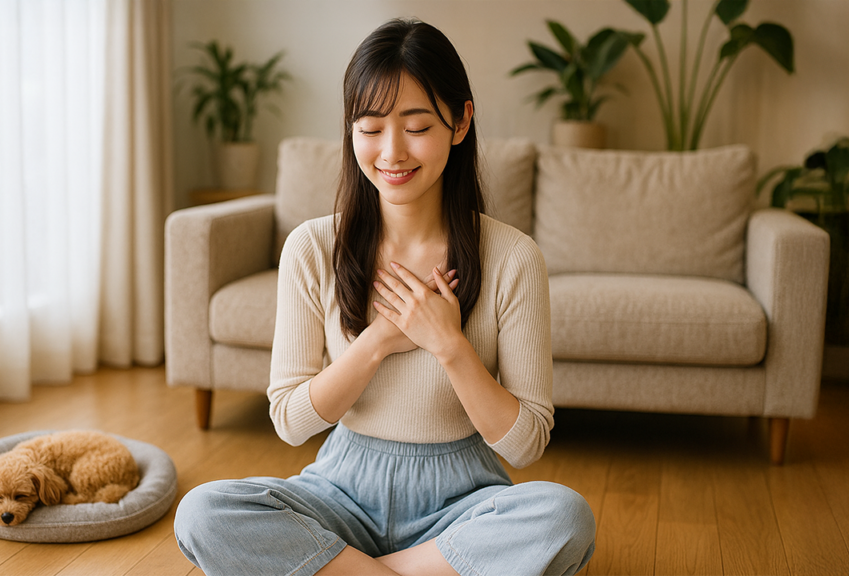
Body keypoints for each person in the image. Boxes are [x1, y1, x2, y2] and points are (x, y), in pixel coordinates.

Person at [174, 18, 596, 576]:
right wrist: (376, 342)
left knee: (564, 517)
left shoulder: (513, 258)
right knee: (202, 513)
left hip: (461, 505)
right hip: (338, 497)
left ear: (460, 121)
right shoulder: (311, 247)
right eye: (369, 128)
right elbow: (290, 422)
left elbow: (525, 446)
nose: (391, 151)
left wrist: (449, 344)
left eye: (417, 126)